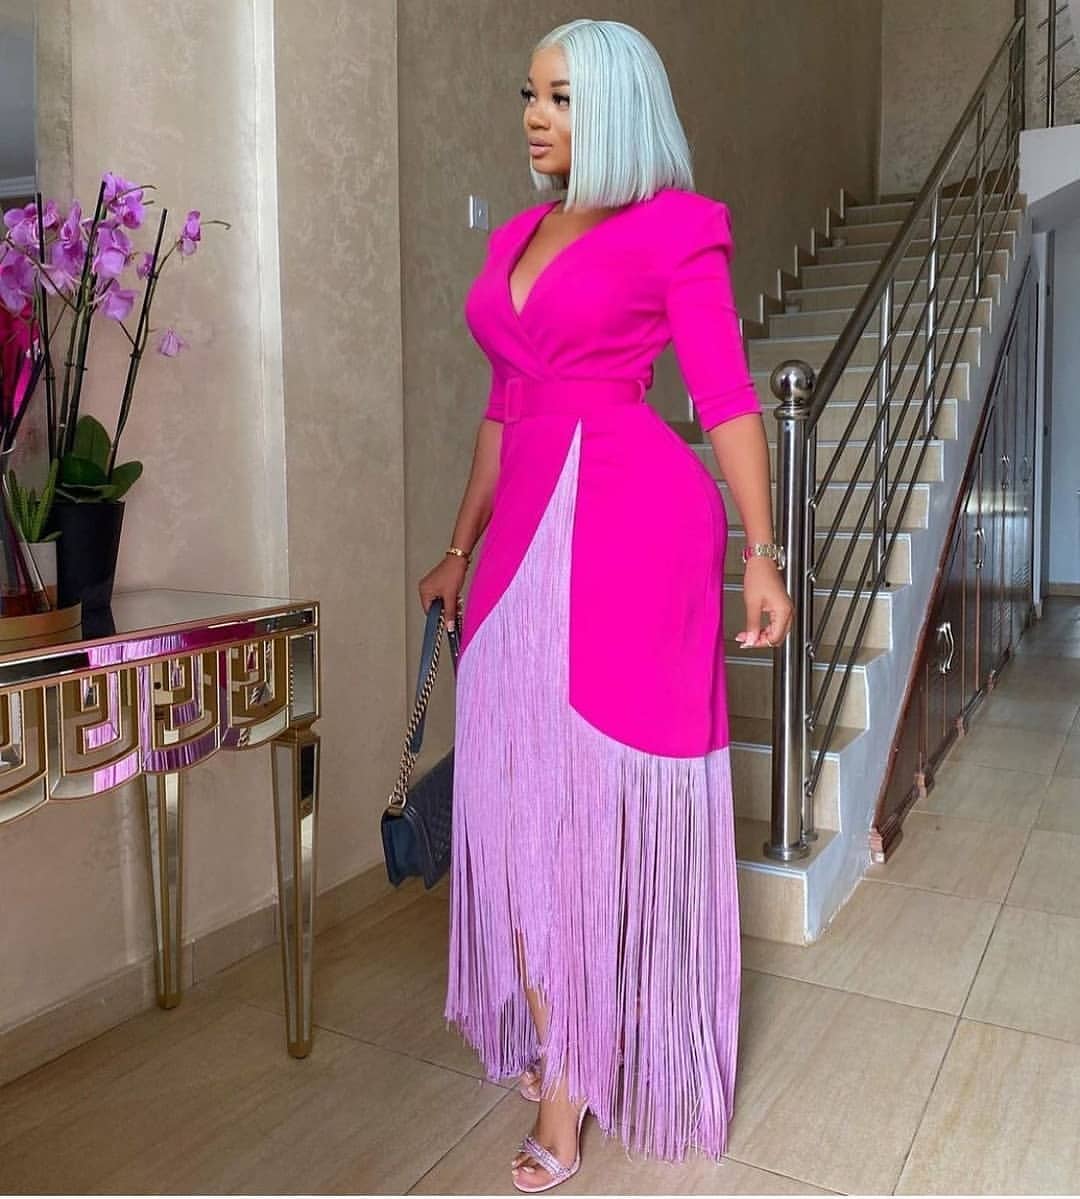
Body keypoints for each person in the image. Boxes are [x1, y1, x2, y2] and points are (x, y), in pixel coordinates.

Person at [417, 17, 793, 1192]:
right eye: (529, 94)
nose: (535, 116)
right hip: (523, 536)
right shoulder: (517, 235)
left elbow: (726, 395)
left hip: (631, 525)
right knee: (514, 807)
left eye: (563, 97)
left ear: (621, 104)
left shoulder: (678, 225)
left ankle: (570, 1077)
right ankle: (565, 1029)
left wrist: (763, 550)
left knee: (583, 814)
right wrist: (457, 547)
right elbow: (502, 405)